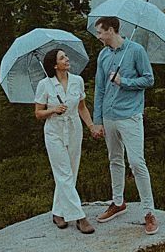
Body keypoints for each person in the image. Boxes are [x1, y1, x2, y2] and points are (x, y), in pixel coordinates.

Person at [90, 16, 158, 234]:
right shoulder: (103, 55)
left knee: (137, 163)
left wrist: (124, 82)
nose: (98, 36)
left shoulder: (136, 50)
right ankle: (118, 202)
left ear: (111, 30)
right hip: (109, 117)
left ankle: (149, 212)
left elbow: (149, 80)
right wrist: (97, 120)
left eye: (100, 32)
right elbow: (99, 89)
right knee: (114, 160)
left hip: (130, 116)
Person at [35, 48, 95, 234]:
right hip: (54, 131)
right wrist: (52, 110)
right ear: (55, 65)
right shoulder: (45, 85)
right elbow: (38, 113)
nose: (67, 59)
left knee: (71, 171)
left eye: (66, 56)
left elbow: (82, 108)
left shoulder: (78, 81)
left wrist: (91, 127)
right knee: (63, 173)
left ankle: (58, 212)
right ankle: (79, 217)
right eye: (63, 58)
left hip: (74, 128)